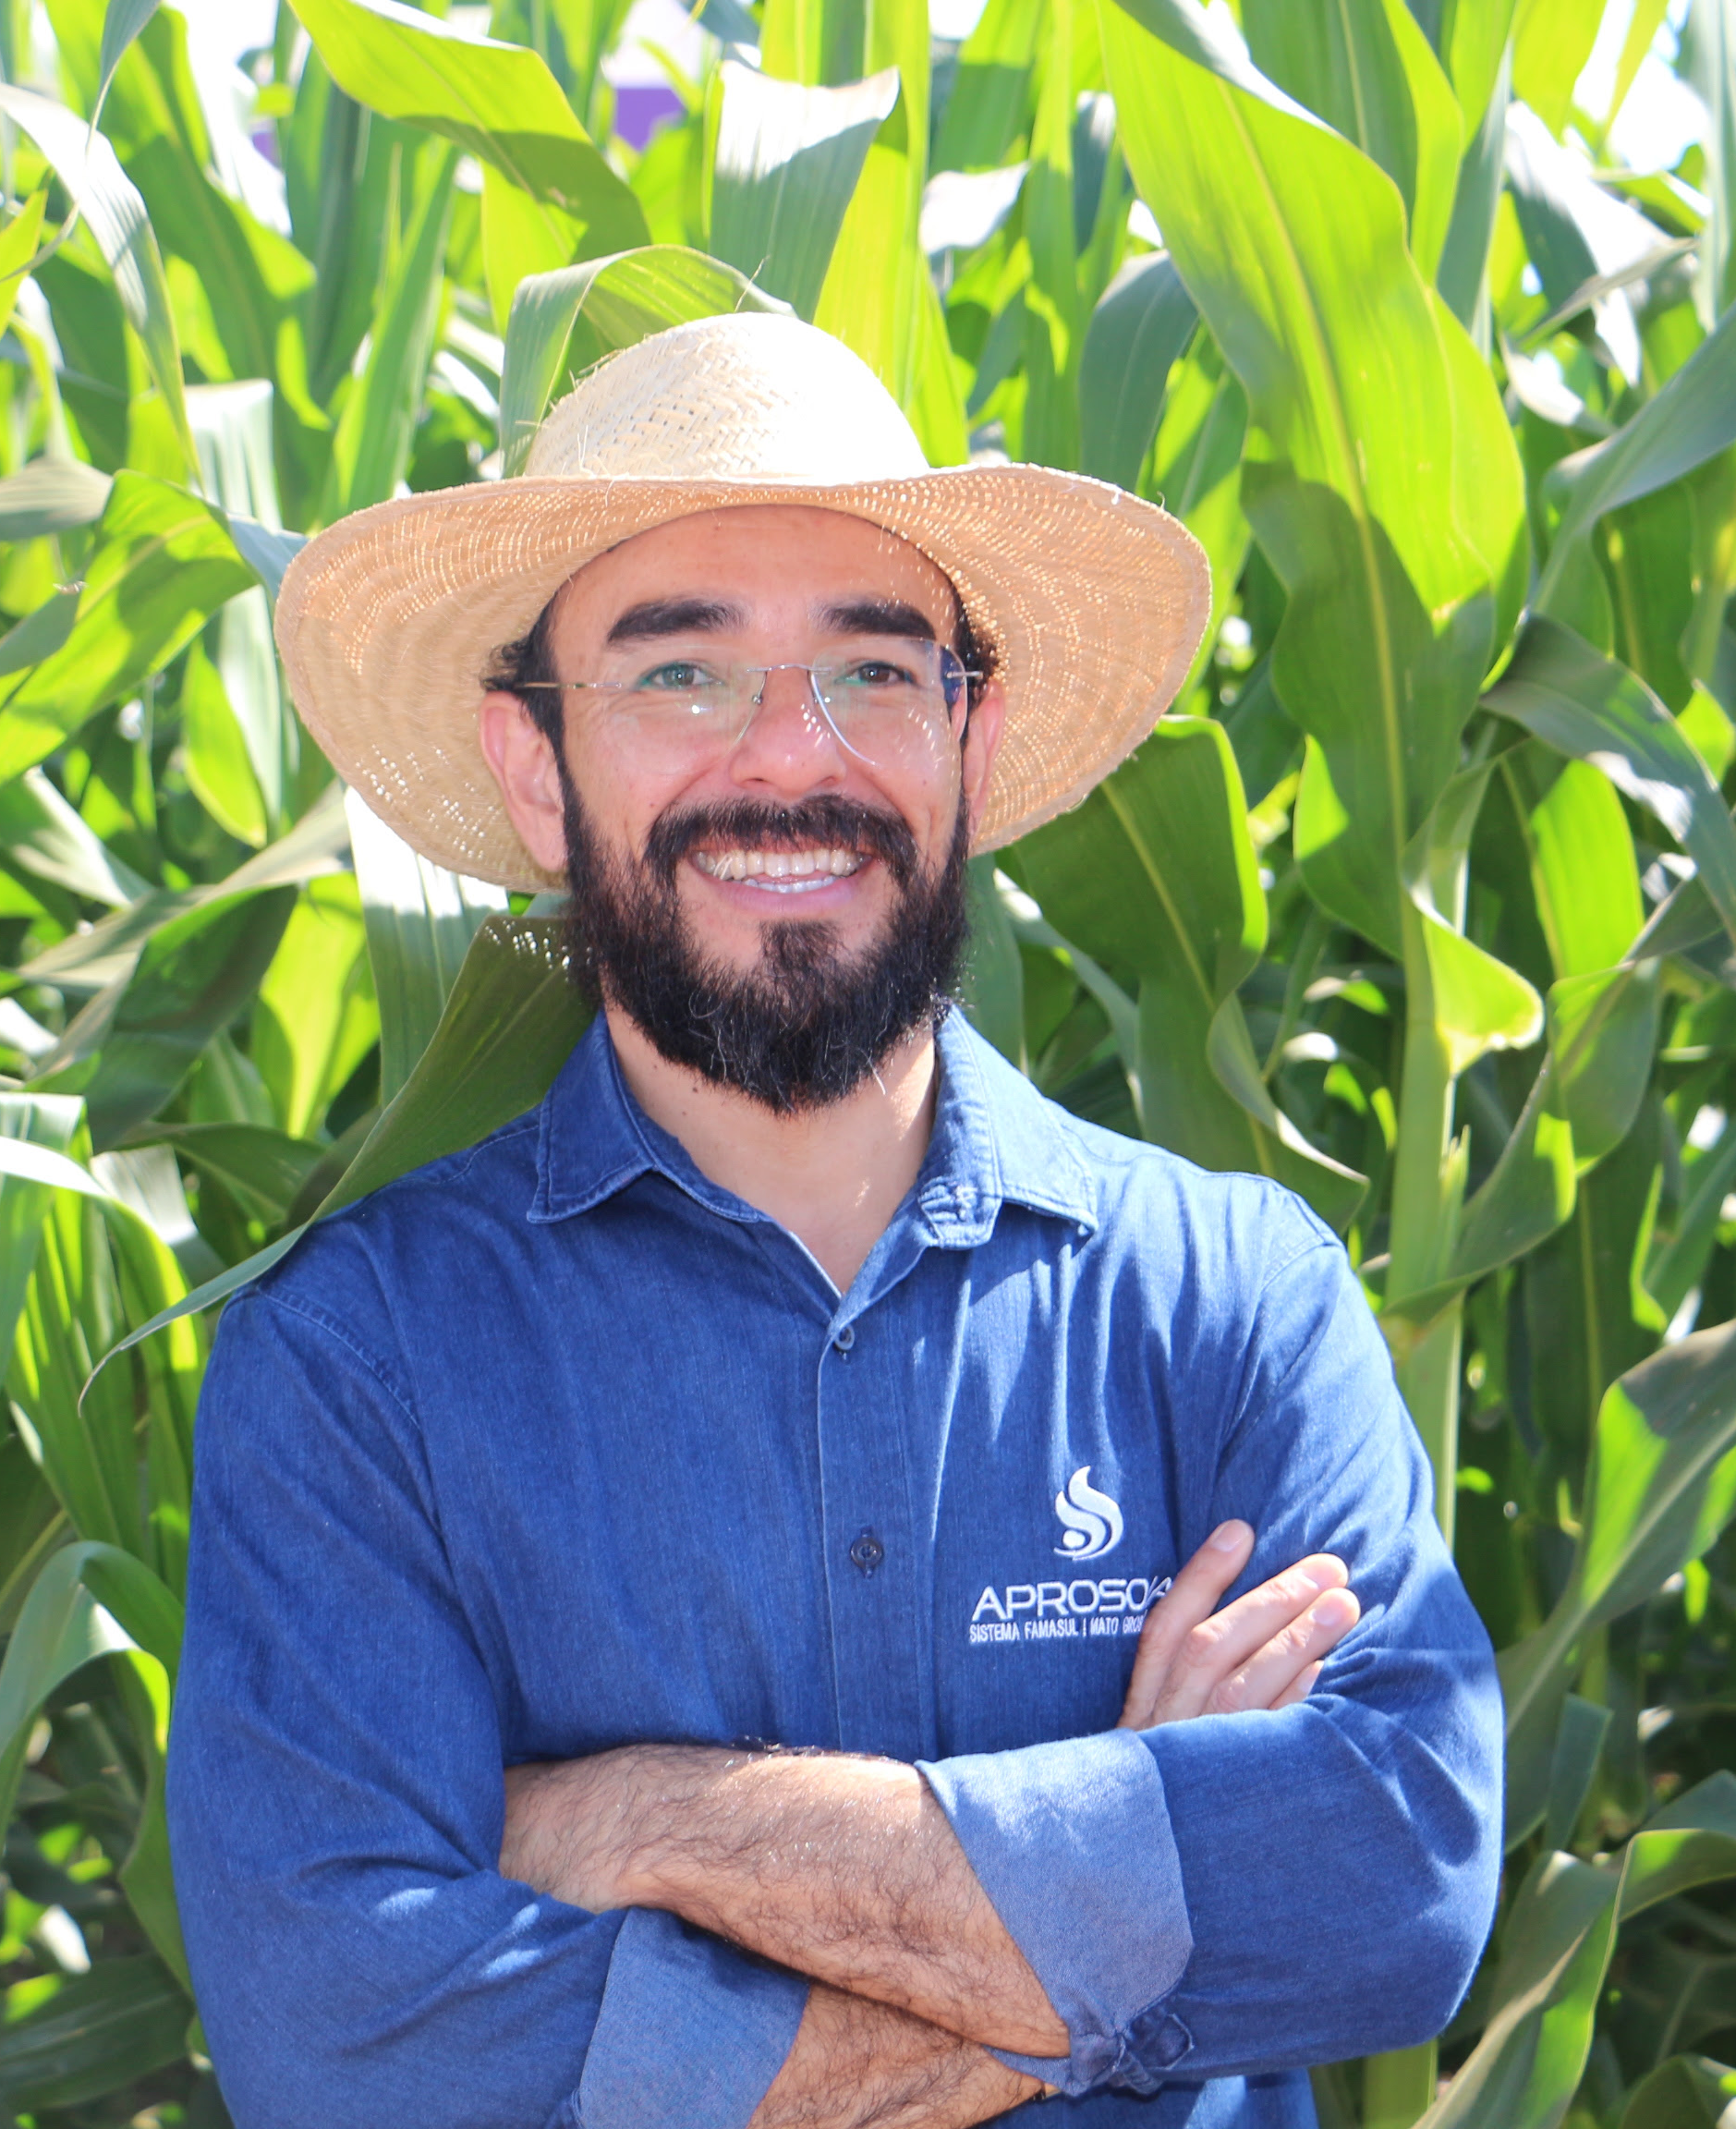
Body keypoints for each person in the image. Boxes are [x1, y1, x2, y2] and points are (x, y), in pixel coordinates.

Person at [164, 312, 1502, 2129]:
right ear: (536, 762)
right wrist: (1127, 1862)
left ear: (974, 729)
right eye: (683, 677)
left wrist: (631, 1823)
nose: (790, 760)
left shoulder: (1231, 1303)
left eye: (872, 675)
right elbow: (353, 2050)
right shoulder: (360, 1368)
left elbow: (1392, 1878)